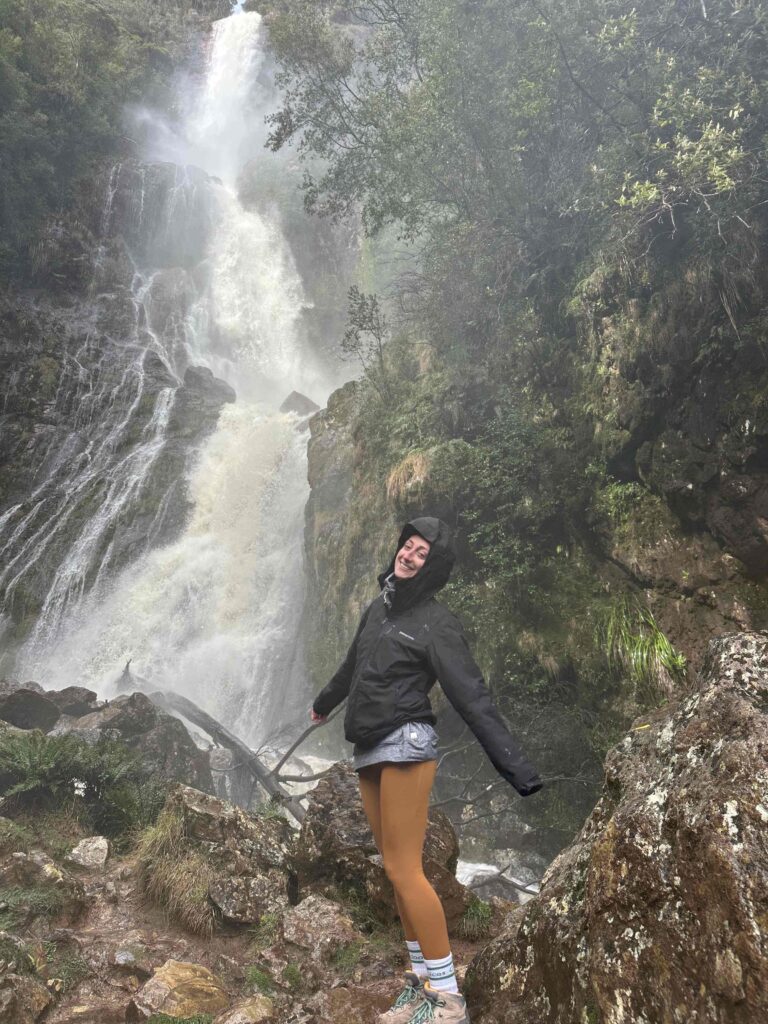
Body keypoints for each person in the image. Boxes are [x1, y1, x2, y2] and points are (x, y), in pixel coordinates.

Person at [311, 517, 542, 1024]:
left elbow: (472, 697)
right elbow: (353, 666)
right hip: (370, 746)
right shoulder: (378, 610)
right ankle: (419, 989)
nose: (409, 555)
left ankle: (448, 996)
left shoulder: (437, 622)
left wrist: (517, 770)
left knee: (404, 869)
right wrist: (323, 703)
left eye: (421, 553)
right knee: (394, 874)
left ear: (431, 567)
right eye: (407, 547)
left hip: (408, 743)